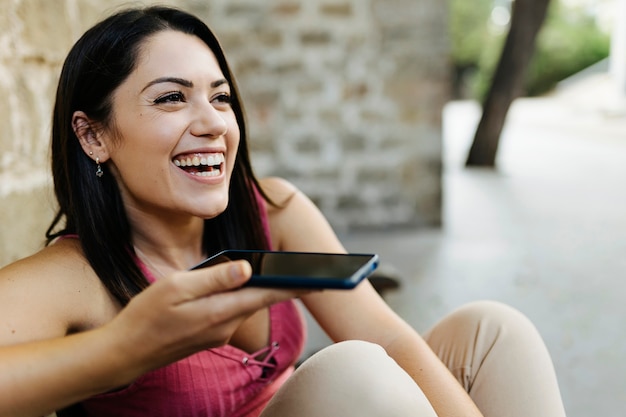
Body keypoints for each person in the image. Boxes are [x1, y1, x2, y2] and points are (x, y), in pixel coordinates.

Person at [0, 6, 567, 417]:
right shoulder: (75, 277)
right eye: (171, 98)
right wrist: (126, 348)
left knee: (494, 330)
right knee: (355, 372)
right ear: (93, 135)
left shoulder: (275, 208)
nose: (214, 124)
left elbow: (390, 338)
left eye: (220, 97)